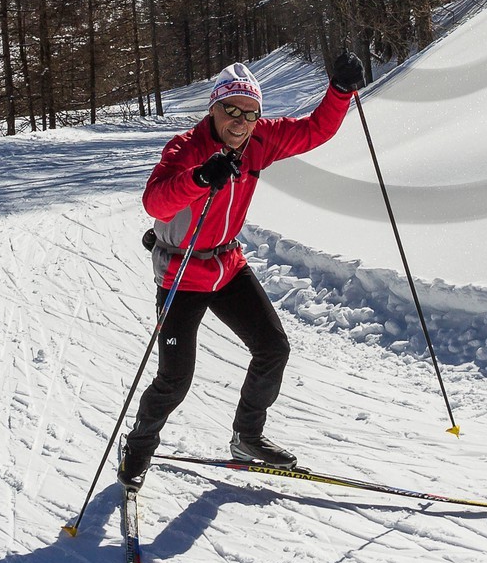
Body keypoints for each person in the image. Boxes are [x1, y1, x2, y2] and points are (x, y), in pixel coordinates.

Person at [118, 51, 365, 489]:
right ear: (213, 108)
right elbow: (155, 202)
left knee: (273, 348)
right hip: (182, 276)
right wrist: (199, 178)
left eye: (250, 113)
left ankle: (247, 438)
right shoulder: (185, 148)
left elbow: (314, 130)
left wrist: (340, 92)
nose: (240, 121)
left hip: (227, 266)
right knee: (174, 381)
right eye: (230, 110)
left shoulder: (261, 140)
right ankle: (138, 446)